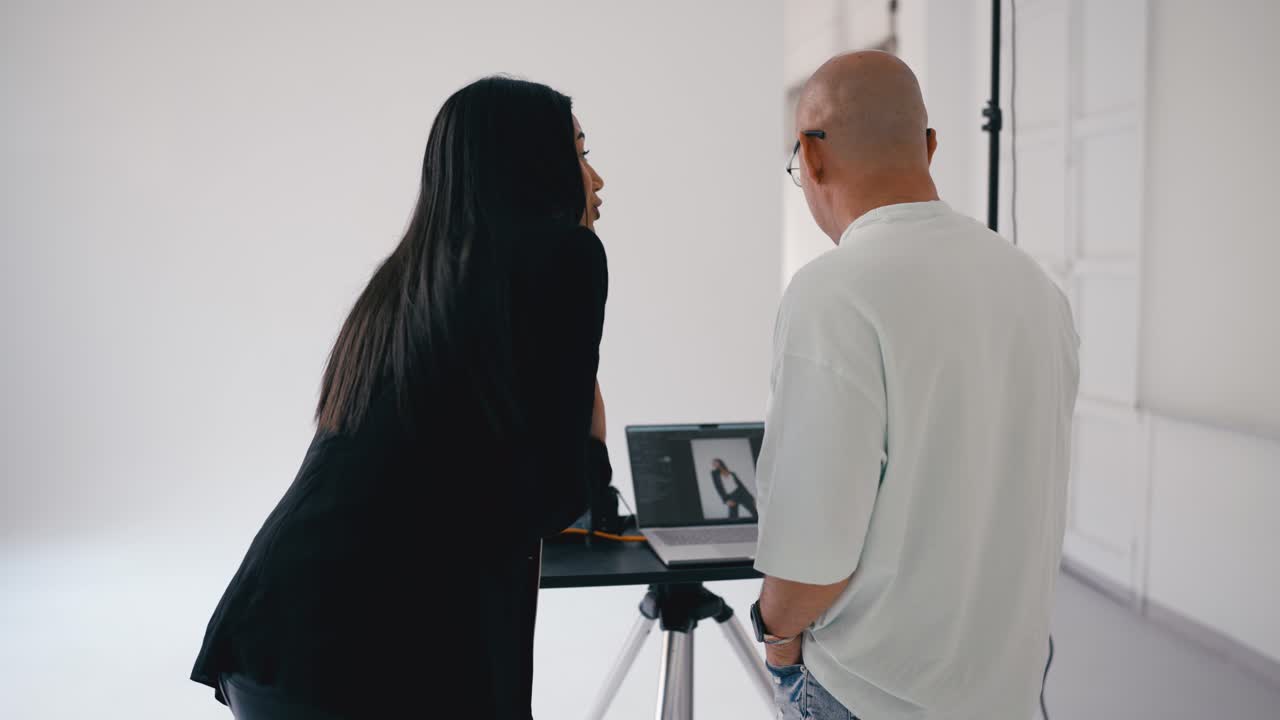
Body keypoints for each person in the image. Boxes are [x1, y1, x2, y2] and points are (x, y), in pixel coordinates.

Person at [190, 76, 611, 719]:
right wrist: (593, 438)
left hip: (273, 627)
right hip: (363, 650)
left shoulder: (410, 280)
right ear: (534, 165)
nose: (597, 179)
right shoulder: (568, 253)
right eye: (579, 153)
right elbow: (551, 496)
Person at [750, 51, 1080, 720]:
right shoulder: (1036, 289)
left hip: (869, 694)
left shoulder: (833, 293)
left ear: (812, 158)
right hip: (1006, 695)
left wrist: (775, 634)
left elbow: (812, 555)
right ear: (929, 147)